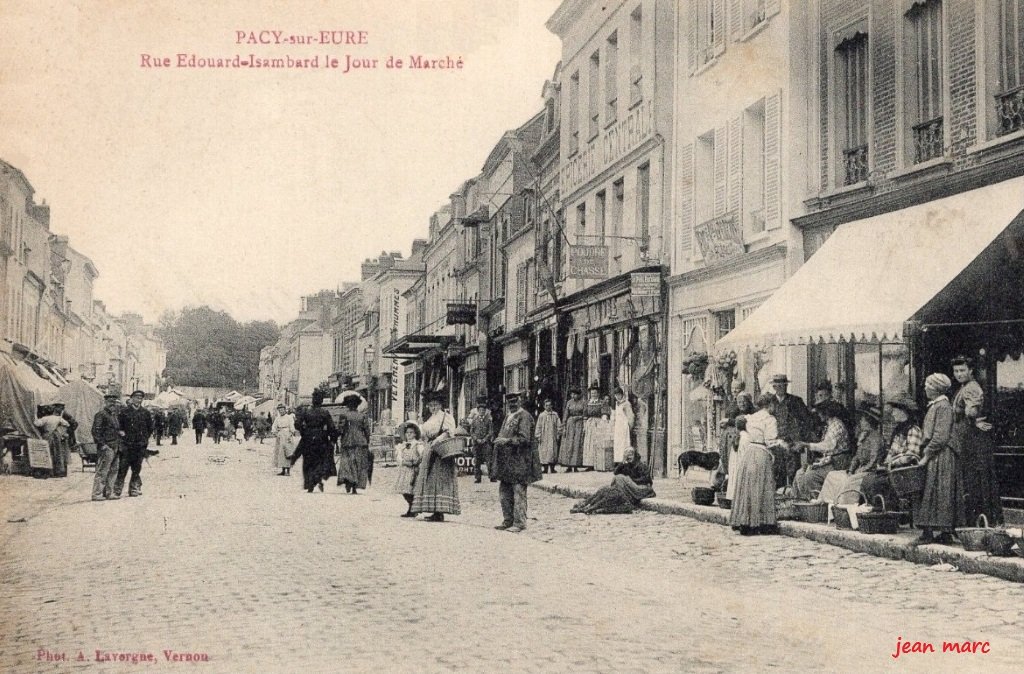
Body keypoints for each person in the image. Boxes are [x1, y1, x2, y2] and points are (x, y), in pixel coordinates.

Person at [913, 373, 965, 545]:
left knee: (940, 491)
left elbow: (941, 437)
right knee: (936, 492)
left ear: (936, 388)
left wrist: (926, 455)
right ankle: (938, 531)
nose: (925, 388)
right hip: (937, 454)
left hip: (942, 455)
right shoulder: (937, 406)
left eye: (928, 385)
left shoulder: (942, 407)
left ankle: (941, 531)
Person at [951, 356, 1003, 525]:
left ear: (970, 371)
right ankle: (983, 522)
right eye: (956, 371)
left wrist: (972, 419)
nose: (959, 374)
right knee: (976, 481)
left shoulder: (971, 387)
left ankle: (982, 523)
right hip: (969, 439)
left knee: (977, 481)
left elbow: (971, 411)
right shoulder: (965, 387)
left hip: (974, 441)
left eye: (962, 370)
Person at [730, 393, 785, 535]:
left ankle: (745, 522)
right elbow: (770, 441)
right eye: (774, 405)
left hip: (749, 452)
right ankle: (764, 523)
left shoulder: (751, 418)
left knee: (748, 487)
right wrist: (782, 444)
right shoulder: (770, 419)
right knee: (763, 487)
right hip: (761, 452)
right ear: (770, 405)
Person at [492, 392, 541, 532]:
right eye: (510, 403)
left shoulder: (524, 416)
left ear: (520, 402)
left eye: (514, 402)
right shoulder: (508, 416)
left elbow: (524, 439)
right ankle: (508, 520)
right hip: (507, 461)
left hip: (520, 460)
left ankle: (519, 523)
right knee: (504, 491)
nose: (512, 405)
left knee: (518, 491)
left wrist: (506, 441)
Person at [860, 394, 922, 505]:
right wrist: (885, 462)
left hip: (905, 472)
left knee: (875, 483)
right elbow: (892, 451)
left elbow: (911, 455)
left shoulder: (913, 430)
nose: (892, 413)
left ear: (903, 411)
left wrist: (892, 462)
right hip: (893, 471)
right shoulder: (898, 430)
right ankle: (875, 511)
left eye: (895, 410)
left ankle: (886, 512)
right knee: (867, 480)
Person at [410, 393, 461, 521]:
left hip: (441, 451)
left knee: (440, 478)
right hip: (430, 449)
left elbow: (449, 432)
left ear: (440, 405)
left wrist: (437, 440)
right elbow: (424, 434)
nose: (433, 407)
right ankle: (433, 508)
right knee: (430, 479)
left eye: (435, 405)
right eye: (431, 405)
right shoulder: (430, 418)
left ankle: (440, 510)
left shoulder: (446, 417)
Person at [792, 400, 852, 500]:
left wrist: (807, 445)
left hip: (839, 463)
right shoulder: (830, 425)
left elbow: (828, 446)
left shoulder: (836, 425)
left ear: (826, 413)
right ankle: (802, 502)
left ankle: (818, 502)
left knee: (810, 477)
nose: (818, 416)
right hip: (831, 460)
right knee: (800, 472)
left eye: (819, 413)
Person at [570, 447, 656, 514]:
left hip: (642, 488)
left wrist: (630, 481)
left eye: (631, 455)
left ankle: (589, 507)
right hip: (630, 488)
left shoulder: (641, 465)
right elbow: (616, 472)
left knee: (620, 478)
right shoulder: (627, 465)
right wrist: (622, 463)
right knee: (605, 488)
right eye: (627, 455)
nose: (629, 457)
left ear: (635, 455)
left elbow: (646, 479)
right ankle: (586, 504)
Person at [768, 374, 815, 486]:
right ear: (774, 387)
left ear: (786, 386)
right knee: (777, 471)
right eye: (778, 386)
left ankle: (793, 497)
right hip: (775, 442)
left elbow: (807, 420)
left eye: (783, 386)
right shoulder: (770, 401)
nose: (780, 388)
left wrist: (800, 438)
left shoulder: (796, 401)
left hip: (791, 442)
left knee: (793, 471)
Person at [289, 390, 339, 493]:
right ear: (321, 401)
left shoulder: (306, 411)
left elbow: (297, 424)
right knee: (320, 460)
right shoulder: (325, 412)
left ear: (312, 400)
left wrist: (304, 431)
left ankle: (310, 483)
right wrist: (332, 439)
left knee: (308, 460)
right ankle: (318, 479)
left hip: (308, 437)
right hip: (321, 438)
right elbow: (331, 427)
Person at [114, 390, 153, 497]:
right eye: (136, 398)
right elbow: (118, 426)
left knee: (136, 468)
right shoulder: (124, 412)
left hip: (139, 446)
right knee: (122, 468)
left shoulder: (145, 413)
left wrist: (144, 440)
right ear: (131, 399)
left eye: (140, 398)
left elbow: (150, 428)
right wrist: (121, 433)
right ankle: (117, 489)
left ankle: (134, 488)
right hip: (126, 445)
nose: (138, 400)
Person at [335, 392, 372, 494]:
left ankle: (348, 482)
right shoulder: (362, 416)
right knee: (358, 463)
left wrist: (337, 438)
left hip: (348, 441)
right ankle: (355, 486)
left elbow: (341, 429)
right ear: (357, 405)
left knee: (347, 464)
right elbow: (367, 430)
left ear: (348, 405)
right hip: (361, 442)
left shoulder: (344, 415)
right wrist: (367, 440)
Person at [90, 393, 123, 501]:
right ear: (105, 402)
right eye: (110, 402)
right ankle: (97, 493)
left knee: (113, 470)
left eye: (114, 402)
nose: (112, 404)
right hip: (107, 447)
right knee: (102, 471)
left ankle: (109, 492)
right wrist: (102, 445)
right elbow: (96, 431)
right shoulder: (101, 415)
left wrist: (120, 433)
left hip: (116, 446)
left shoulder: (114, 416)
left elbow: (114, 429)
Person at [393, 421, 424, 517]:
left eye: (411, 432)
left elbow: (422, 455)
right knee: (404, 490)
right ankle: (411, 506)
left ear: (415, 434)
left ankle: (413, 509)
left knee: (412, 490)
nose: (409, 434)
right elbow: (398, 457)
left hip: (413, 470)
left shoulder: (418, 445)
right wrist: (402, 461)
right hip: (404, 469)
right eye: (407, 433)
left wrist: (416, 462)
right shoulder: (402, 445)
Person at [464, 395, 495, 483]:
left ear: (485, 411)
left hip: (486, 443)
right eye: (480, 410)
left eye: (483, 410)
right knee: (477, 460)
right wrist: (476, 439)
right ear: (478, 411)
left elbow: (491, 431)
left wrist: (485, 439)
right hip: (477, 443)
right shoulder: (474, 420)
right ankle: (478, 478)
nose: (482, 412)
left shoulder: (488, 421)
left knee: (489, 460)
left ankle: (492, 476)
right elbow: (471, 431)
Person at [34, 405, 70, 478]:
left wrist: (35, 417)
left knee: (47, 454)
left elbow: (36, 424)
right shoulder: (58, 418)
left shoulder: (44, 418)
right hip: (56, 437)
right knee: (57, 453)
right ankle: (57, 471)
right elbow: (67, 424)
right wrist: (60, 430)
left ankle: (47, 471)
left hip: (47, 436)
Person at [559, 388, 586, 472]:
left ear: (579, 394)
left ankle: (576, 465)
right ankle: (569, 465)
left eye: (575, 394)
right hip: (570, 424)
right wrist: (563, 426)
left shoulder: (583, 402)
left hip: (579, 424)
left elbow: (585, 414)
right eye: (572, 394)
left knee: (577, 444)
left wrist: (578, 417)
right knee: (569, 443)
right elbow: (566, 414)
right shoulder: (569, 403)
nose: (573, 396)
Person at [580, 383, 604, 471]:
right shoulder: (587, 403)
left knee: (597, 442)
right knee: (589, 443)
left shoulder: (601, 402)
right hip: (590, 424)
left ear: (598, 394)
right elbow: (585, 415)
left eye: (595, 393)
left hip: (598, 423)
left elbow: (604, 414)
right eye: (592, 393)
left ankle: (598, 463)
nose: (594, 394)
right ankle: (589, 464)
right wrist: (584, 425)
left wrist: (603, 423)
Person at [535, 398, 561, 474]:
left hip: (552, 435)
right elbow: (538, 426)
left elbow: (558, 424)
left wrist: (558, 433)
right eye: (547, 405)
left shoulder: (555, 415)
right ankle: (545, 468)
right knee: (544, 451)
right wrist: (538, 435)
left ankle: (552, 468)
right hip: (544, 436)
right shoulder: (542, 415)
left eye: (550, 405)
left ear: (552, 406)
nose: (548, 407)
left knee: (552, 451)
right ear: (544, 406)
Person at [611, 386, 634, 466]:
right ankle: (617, 461)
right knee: (617, 444)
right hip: (618, 427)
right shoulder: (617, 404)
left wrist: (629, 426)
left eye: (618, 394)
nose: (617, 396)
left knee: (624, 444)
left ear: (622, 394)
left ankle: (624, 462)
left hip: (624, 427)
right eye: (616, 395)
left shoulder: (626, 404)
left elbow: (630, 417)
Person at [271, 404, 296, 476]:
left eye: (282, 409)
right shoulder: (277, 418)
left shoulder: (289, 417)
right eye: (279, 410)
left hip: (287, 435)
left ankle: (288, 470)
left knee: (288, 452)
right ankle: (283, 470)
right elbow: (274, 426)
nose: (281, 411)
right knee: (281, 453)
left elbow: (292, 426)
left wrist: (291, 433)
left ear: (285, 410)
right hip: (280, 435)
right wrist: (275, 432)